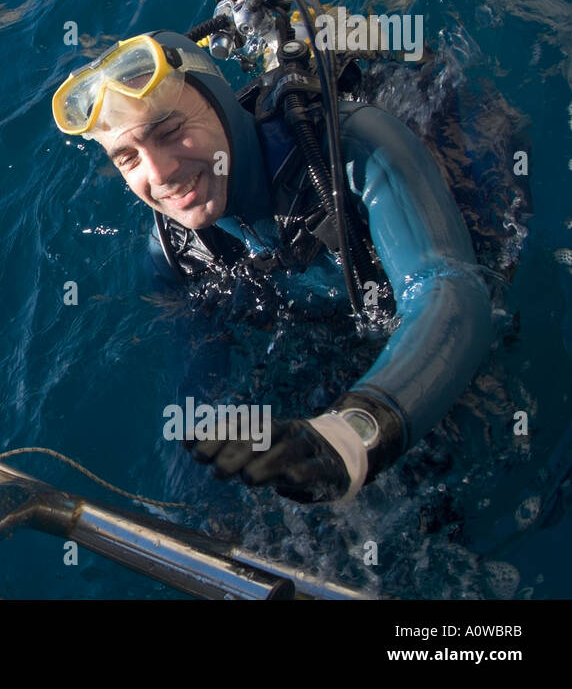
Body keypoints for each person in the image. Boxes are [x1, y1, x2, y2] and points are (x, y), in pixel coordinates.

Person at [52, 29, 494, 503]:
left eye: (170, 131)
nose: (159, 175)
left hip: (448, 211)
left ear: (221, 106)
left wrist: (353, 434)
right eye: (128, 157)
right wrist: (212, 492)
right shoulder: (175, 248)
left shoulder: (355, 147)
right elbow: (201, 390)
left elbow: (447, 287)